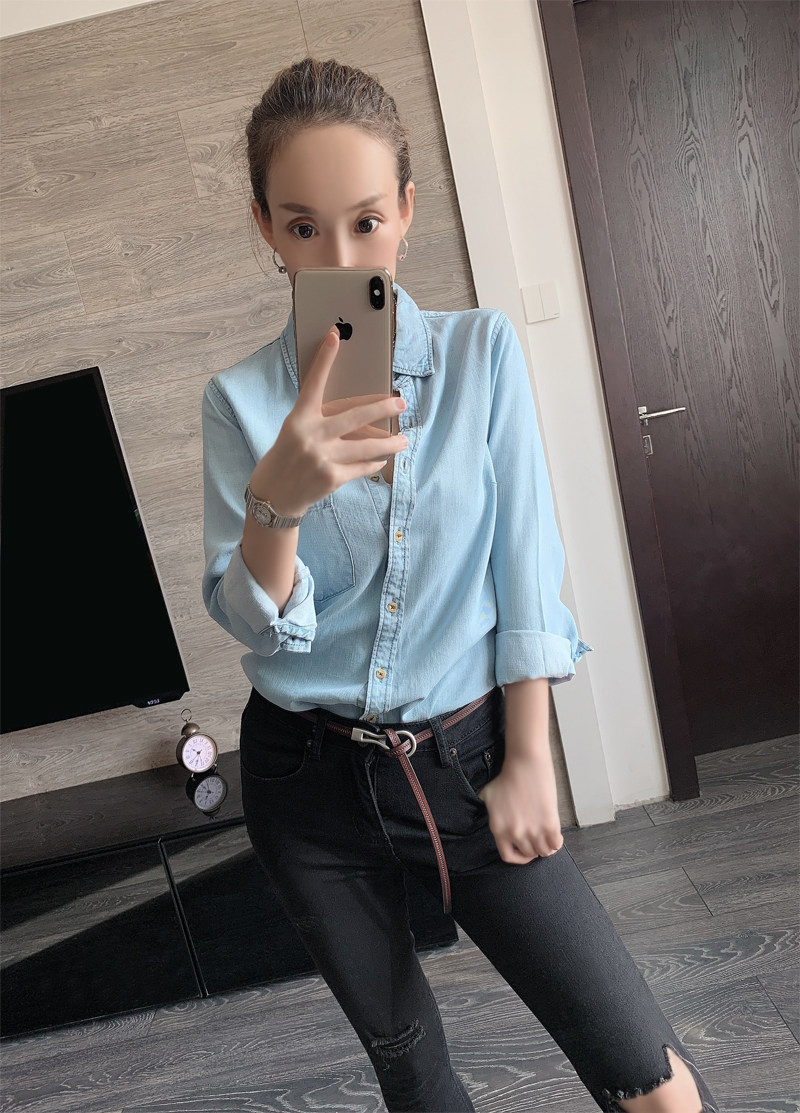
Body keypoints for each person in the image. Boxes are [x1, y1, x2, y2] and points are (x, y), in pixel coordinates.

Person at [201, 57, 719, 1113]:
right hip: (306, 783)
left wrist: (529, 756)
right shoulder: (240, 403)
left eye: (364, 222)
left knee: (655, 1086)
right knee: (417, 1077)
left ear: (404, 210)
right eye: (302, 227)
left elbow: (525, 568)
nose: (338, 257)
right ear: (265, 228)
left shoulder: (482, 356)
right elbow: (254, 624)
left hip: (472, 761)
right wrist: (276, 502)